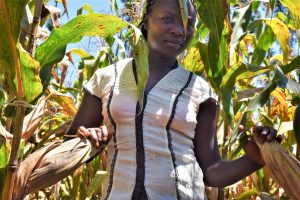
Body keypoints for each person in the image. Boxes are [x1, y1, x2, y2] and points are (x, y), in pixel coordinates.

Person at [65, 0, 279, 199]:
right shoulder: (106, 78)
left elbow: (211, 171)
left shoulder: (201, 91)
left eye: (189, 23)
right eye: (167, 19)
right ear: (146, 20)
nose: (179, 30)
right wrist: (87, 140)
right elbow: (69, 147)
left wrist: (253, 160)